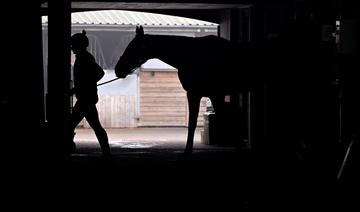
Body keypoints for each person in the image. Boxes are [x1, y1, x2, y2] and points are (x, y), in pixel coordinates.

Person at [69, 30, 111, 159]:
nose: (72, 48)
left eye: (73, 45)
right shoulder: (83, 57)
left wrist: (82, 86)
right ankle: (106, 153)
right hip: (86, 98)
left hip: (85, 100)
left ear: (79, 45)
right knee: (96, 127)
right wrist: (78, 88)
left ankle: (68, 147)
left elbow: (100, 73)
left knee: (69, 125)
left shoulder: (85, 58)